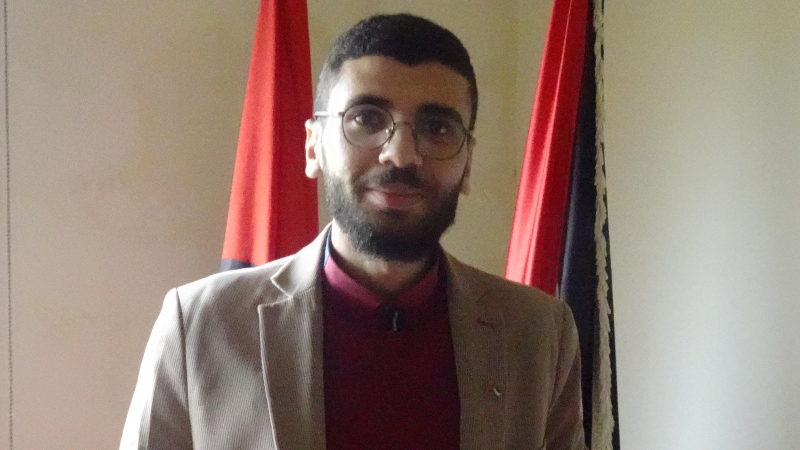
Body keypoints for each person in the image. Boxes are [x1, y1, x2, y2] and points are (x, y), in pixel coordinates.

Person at [121, 13, 587, 450]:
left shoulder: (539, 333)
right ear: (313, 146)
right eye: (366, 119)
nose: (401, 155)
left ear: (467, 163)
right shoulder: (201, 326)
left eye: (437, 127)